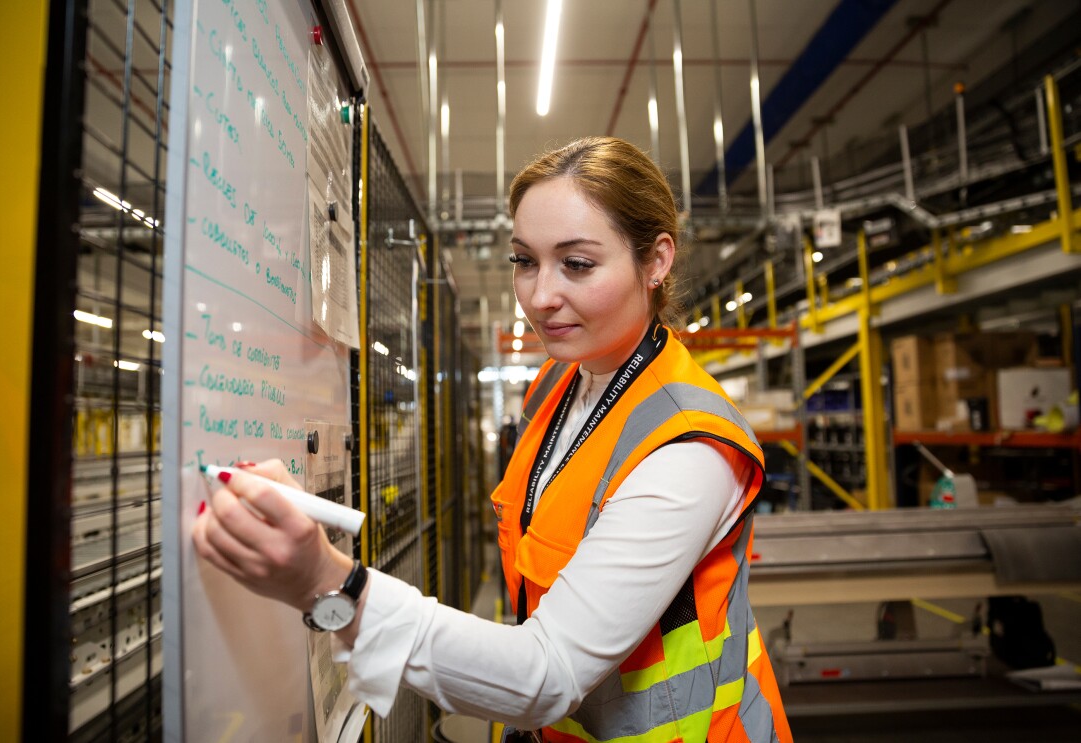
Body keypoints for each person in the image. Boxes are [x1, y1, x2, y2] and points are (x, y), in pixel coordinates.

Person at [193, 136, 793, 742]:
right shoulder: (560, 383)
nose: (540, 296)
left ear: (656, 261)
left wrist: (327, 582)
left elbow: (549, 670)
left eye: (577, 264)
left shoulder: (687, 449)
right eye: (524, 261)